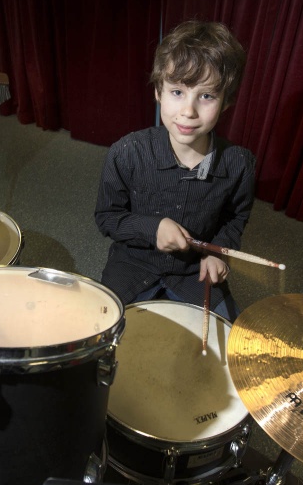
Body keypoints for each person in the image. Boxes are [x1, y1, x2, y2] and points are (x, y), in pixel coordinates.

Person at [94, 20, 256, 320]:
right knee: (101, 331)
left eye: (206, 96)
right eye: (177, 92)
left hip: (192, 270)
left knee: (230, 339)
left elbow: (235, 218)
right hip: (133, 263)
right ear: (158, 91)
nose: (188, 111)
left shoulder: (240, 164)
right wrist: (151, 228)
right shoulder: (126, 152)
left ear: (226, 103)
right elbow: (107, 217)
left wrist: (217, 252)